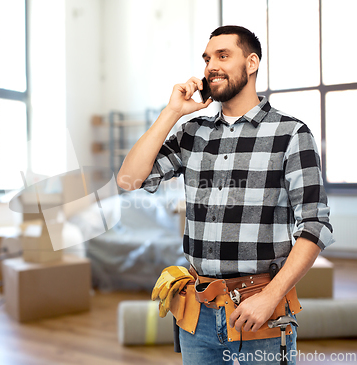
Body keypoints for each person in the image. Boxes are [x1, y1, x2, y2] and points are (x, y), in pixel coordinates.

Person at [117, 25, 334, 365]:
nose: (210, 67)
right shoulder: (192, 133)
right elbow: (129, 179)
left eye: (222, 56)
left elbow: (315, 226)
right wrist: (172, 112)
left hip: (260, 312)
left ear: (251, 63)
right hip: (197, 315)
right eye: (206, 59)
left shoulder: (290, 133)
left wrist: (269, 298)